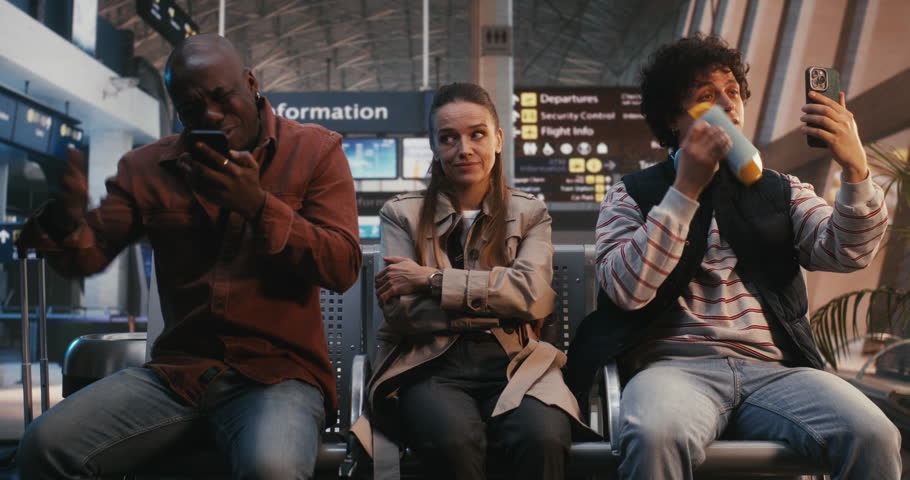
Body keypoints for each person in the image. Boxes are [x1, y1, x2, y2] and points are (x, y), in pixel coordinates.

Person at [15, 34, 361, 479]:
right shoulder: (146, 168)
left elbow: (342, 266)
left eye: (221, 97)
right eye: (191, 108)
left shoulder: (315, 151)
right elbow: (88, 256)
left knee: (270, 470)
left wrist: (258, 206)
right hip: (176, 376)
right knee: (44, 446)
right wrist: (65, 221)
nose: (211, 115)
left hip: (278, 377)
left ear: (251, 82)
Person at [566, 34, 901, 479]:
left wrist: (856, 169)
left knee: (874, 434)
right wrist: (684, 191)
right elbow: (627, 291)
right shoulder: (632, 194)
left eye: (732, 92)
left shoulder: (780, 190)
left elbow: (847, 252)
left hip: (776, 372)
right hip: (673, 370)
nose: (728, 103)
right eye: (707, 96)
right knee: (654, 434)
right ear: (673, 117)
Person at [350, 82, 591, 480]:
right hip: (429, 365)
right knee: (454, 441)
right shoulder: (401, 215)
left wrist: (431, 279)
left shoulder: (530, 212)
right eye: (449, 138)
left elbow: (532, 296)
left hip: (514, 362)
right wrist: (499, 303)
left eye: (476, 134)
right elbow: (402, 313)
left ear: (497, 140)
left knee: (542, 438)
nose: (464, 149)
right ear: (435, 147)